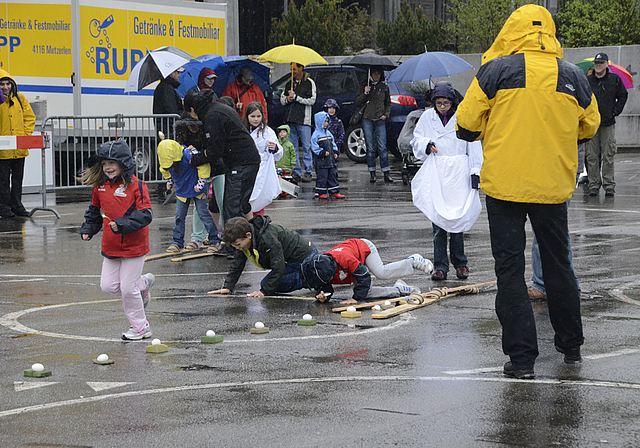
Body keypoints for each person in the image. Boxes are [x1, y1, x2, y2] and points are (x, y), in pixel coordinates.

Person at [455, 5, 600, 379]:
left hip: (505, 187)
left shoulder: (496, 70)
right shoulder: (572, 75)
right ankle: (571, 346)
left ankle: (521, 361)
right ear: (549, 33)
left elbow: (467, 123)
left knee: (510, 271)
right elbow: (590, 125)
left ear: (511, 31)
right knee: (558, 265)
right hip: (553, 187)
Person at [79, 140, 155, 341]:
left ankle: (141, 327)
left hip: (135, 246)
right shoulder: (99, 187)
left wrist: (122, 225)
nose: (108, 168)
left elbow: (146, 214)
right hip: (111, 245)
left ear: (124, 163)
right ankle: (143, 284)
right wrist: (89, 229)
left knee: (127, 289)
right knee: (108, 286)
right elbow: (94, 212)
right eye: (104, 164)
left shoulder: (138, 185)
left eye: (112, 163)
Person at [410, 81, 483, 281]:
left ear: (453, 102)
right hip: (438, 172)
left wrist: (475, 172)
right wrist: (427, 144)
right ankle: (440, 265)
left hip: (459, 173)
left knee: (457, 220)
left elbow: (474, 143)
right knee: (438, 222)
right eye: (439, 103)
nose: (442, 107)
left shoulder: (462, 118)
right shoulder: (426, 117)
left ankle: (460, 263)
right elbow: (416, 139)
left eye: (446, 103)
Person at [185, 89, 260, 224]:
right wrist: (201, 151)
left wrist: (196, 159)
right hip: (242, 160)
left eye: (190, 113)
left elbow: (215, 150)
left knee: (233, 206)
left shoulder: (212, 116)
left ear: (192, 109)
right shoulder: (216, 109)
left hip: (242, 162)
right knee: (236, 204)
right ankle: (244, 238)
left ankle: (237, 242)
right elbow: (215, 143)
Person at [208, 216, 318, 297]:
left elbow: (278, 267)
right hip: (290, 261)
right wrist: (228, 287)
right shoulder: (243, 241)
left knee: (267, 285)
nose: (237, 248)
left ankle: (314, 277)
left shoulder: (267, 239)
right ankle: (314, 273)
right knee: (269, 283)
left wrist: (264, 292)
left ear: (248, 235)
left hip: (305, 257)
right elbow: (237, 264)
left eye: (238, 245)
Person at [301, 239, 433, 306]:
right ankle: (399, 290)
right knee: (367, 293)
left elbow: (364, 276)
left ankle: (413, 261)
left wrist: (355, 299)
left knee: (381, 272)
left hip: (364, 248)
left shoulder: (345, 259)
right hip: (353, 261)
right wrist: (322, 296)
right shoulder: (320, 268)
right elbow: (325, 286)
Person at [157, 137, 222, 255]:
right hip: (182, 190)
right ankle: (177, 242)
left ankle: (214, 240)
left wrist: (201, 181)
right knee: (179, 216)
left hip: (196, 189)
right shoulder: (166, 160)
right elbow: (165, 169)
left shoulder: (187, 154)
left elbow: (203, 165)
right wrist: (169, 181)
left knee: (203, 214)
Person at [173, 116, 225, 252]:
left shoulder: (208, 128)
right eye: (190, 126)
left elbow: (215, 148)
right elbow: (178, 151)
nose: (193, 128)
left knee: (223, 202)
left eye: (195, 125)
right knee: (199, 206)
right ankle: (197, 237)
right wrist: (186, 149)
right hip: (197, 171)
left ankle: (227, 236)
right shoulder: (182, 132)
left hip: (217, 168)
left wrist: (200, 153)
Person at [585, 52, 628, 197]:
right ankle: (593, 185)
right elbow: (582, 97)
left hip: (608, 123)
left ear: (606, 64)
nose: (598, 65)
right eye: (596, 63)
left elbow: (623, 95)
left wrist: (615, 111)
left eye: (601, 63)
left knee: (608, 155)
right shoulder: (588, 80)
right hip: (592, 123)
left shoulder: (614, 79)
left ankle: (609, 185)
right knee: (591, 156)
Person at [0, 70, 35, 218]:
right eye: (2, 84)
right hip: (3, 150)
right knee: (2, 180)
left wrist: (25, 136)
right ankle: (4, 207)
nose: (5, 87)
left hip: (19, 148)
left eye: (8, 84)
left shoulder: (20, 98)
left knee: (17, 179)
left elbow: (29, 117)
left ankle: (17, 206)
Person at [243, 102, 282, 216]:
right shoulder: (242, 129)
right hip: (246, 169)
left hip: (262, 170)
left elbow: (278, 151)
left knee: (260, 197)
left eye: (258, 116)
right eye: (252, 116)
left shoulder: (268, 132)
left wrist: (274, 148)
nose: (256, 119)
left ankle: (258, 224)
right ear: (247, 116)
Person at [280, 62, 316, 183]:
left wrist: (296, 97)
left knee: (306, 146)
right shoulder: (288, 84)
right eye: (291, 69)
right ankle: (296, 171)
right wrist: (287, 99)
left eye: (295, 69)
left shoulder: (309, 82)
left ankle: (308, 171)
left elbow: (312, 100)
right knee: (293, 147)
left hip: (304, 120)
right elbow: (282, 100)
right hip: (291, 119)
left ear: (301, 68)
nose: (293, 72)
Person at [356, 66, 393, 183]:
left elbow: (388, 103)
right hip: (367, 119)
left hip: (380, 119)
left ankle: (386, 172)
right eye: (374, 73)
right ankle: (372, 172)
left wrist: (386, 114)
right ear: (370, 74)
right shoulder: (364, 85)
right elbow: (358, 101)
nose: (376, 75)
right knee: (370, 148)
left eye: (378, 73)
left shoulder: (384, 87)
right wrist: (365, 93)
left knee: (382, 147)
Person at [311, 110, 344, 199]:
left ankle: (334, 191)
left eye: (327, 121)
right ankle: (320, 191)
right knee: (322, 177)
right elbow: (314, 147)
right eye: (324, 121)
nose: (326, 123)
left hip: (330, 160)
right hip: (321, 161)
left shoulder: (329, 133)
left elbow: (333, 143)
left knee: (332, 175)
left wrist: (335, 152)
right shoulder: (316, 135)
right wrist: (321, 152)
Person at [153, 68, 184, 140]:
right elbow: (171, 110)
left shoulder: (165, 87)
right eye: (177, 72)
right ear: (172, 74)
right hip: (168, 131)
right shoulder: (167, 88)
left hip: (165, 129)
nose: (179, 75)